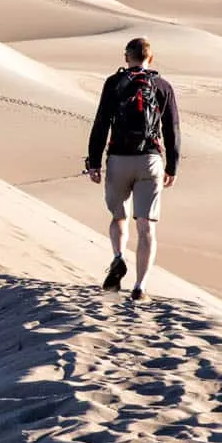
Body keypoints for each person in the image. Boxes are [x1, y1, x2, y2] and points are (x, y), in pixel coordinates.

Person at [84, 37, 181, 302]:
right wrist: (172, 166)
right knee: (146, 226)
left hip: (118, 159)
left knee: (119, 217)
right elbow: (172, 130)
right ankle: (140, 287)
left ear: (127, 57)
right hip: (150, 160)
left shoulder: (114, 83)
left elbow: (101, 123)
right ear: (151, 58)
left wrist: (94, 162)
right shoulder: (163, 86)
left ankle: (118, 257)